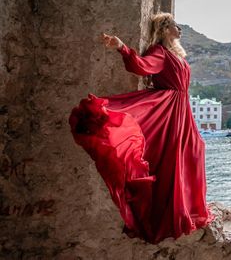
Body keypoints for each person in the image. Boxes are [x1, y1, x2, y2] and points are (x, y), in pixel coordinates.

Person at [69, 13, 215, 244]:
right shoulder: (159, 52)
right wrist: (122, 47)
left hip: (180, 108)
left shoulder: (175, 53)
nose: (181, 29)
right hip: (169, 110)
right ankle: (172, 213)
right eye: (176, 25)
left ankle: (190, 208)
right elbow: (141, 67)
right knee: (172, 158)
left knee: (193, 151)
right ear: (166, 29)